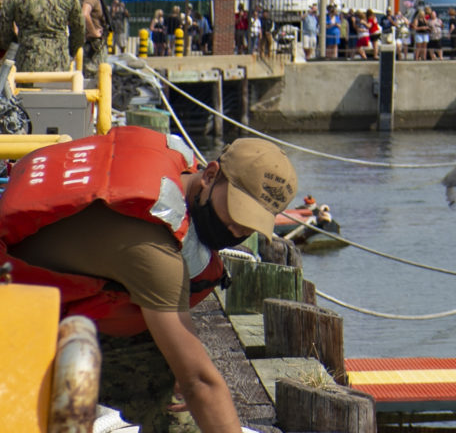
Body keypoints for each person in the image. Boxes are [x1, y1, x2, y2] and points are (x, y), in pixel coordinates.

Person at [1, 131, 298, 433]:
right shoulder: (156, 253)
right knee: (186, 412)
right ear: (210, 175)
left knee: (172, 370)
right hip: (14, 341)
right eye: (235, 211)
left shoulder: (164, 171)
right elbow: (200, 383)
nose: (236, 230)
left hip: (29, 305)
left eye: (250, 224)